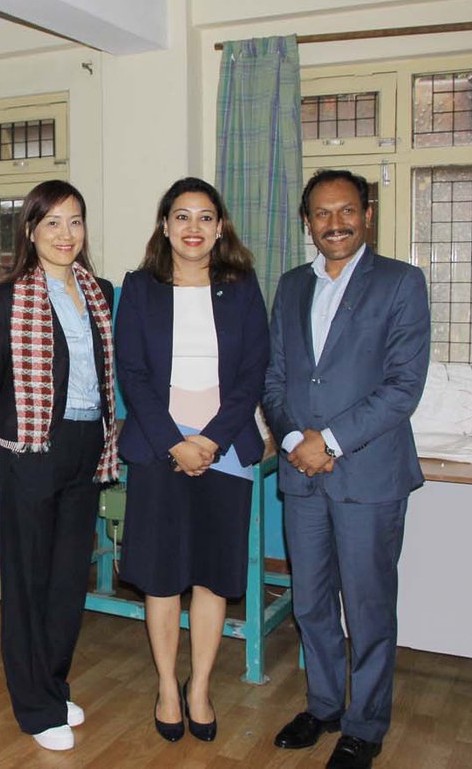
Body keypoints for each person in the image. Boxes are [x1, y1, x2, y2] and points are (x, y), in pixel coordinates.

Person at [263, 169, 431, 769]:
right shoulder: (291, 286)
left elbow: (403, 387)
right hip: (302, 474)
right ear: (307, 222)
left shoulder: (400, 282)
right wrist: (292, 439)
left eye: (347, 211)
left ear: (367, 215)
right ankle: (325, 705)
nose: (335, 223)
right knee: (310, 603)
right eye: (322, 213)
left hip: (368, 474)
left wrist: (328, 441)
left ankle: (365, 724)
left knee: (367, 607)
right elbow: (275, 378)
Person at [114, 177, 269, 744]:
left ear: (220, 227)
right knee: (161, 577)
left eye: (206, 217)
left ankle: (199, 686)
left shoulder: (241, 286)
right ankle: (165, 685)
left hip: (223, 445)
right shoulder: (141, 287)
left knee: (212, 575)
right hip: (160, 446)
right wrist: (174, 442)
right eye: (182, 216)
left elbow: (254, 370)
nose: (194, 228)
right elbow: (131, 371)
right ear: (165, 225)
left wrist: (211, 441)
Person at [0, 180, 118, 752]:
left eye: (75, 221)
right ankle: (34, 706)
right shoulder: (4, 300)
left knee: (66, 579)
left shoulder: (100, 293)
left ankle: (53, 686)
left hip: (88, 443)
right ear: (31, 230)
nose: (65, 234)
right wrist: (10, 445)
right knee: (29, 580)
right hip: (31, 450)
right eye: (52, 222)